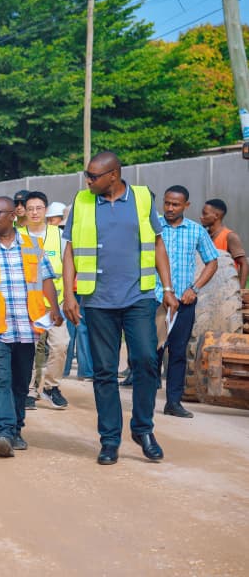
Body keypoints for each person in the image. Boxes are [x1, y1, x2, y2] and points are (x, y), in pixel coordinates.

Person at [62, 151, 179, 466]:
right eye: (87, 175)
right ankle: (110, 440)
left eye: (93, 176)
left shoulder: (141, 199)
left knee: (146, 360)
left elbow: (157, 244)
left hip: (138, 296)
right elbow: (70, 250)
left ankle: (143, 429)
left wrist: (168, 289)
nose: (88, 180)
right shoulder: (82, 202)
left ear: (113, 175)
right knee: (104, 371)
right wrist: (69, 295)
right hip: (97, 300)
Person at [0, 197, 61, 457]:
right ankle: (4, 432)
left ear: (12, 216)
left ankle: (16, 429)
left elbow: (47, 279)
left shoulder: (32, 245)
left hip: (27, 327)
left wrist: (55, 308)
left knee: (20, 383)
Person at [156, 186, 218, 418]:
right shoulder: (154, 227)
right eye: (167, 203)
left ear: (186, 205)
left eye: (176, 204)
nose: (170, 208)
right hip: (155, 299)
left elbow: (212, 262)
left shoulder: (196, 231)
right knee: (151, 352)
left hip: (184, 302)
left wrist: (195, 288)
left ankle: (173, 402)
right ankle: (144, 401)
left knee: (178, 352)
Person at [19, 191, 69, 410]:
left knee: (60, 345)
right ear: (24, 211)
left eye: (38, 208)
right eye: (30, 209)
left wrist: (69, 298)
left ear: (46, 210)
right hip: (28, 304)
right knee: (30, 350)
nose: (34, 212)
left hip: (55, 303)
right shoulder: (17, 236)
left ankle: (51, 387)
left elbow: (68, 267)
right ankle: (28, 390)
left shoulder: (59, 236)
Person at [200, 198, 248, 287]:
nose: (201, 217)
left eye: (205, 214)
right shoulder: (204, 235)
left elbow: (243, 263)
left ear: (216, 215)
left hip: (227, 288)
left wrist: (241, 290)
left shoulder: (230, 236)